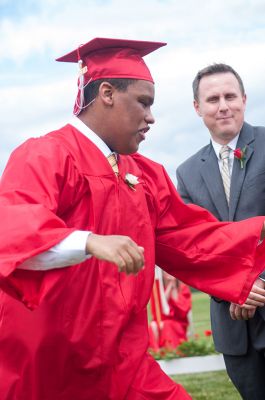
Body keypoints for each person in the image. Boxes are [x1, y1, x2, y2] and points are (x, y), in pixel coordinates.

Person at [1, 40, 265, 400]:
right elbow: (12, 234)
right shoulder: (46, 155)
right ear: (107, 93)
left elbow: (194, 239)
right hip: (51, 363)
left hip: (122, 360)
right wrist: (88, 241)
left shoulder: (144, 175)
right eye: (144, 102)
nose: (152, 117)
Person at [176, 63, 265, 399]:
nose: (223, 105)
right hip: (232, 325)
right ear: (198, 108)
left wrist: (258, 283)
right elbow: (192, 246)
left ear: (244, 98)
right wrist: (232, 288)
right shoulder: (186, 173)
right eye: (213, 99)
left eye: (230, 96)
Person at [149, 268, 192, 350]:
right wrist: (169, 288)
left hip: (178, 322)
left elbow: (182, 312)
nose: (168, 274)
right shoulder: (157, 290)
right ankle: (156, 354)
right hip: (161, 321)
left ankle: (170, 352)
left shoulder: (182, 288)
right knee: (152, 326)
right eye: (165, 271)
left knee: (167, 325)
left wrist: (174, 287)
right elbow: (157, 311)